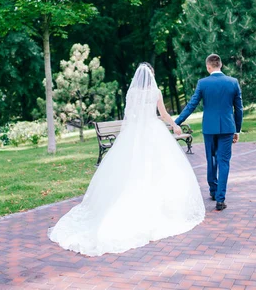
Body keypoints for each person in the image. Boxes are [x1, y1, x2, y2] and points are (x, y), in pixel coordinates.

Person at [48, 63, 205, 256]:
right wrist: (174, 125)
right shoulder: (155, 92)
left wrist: (129, 134)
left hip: (134, 133)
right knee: (158, 170)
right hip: (153, 132)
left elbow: (129, 116)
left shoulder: (132, 93)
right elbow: (163, 114)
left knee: (133, 170)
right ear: (152, 75)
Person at [175, 54, 243, 211]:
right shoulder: (233, 82)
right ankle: (220, 199)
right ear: (221, 65)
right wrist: (237, 129)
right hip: (227, 128)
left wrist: (176, 122)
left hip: (209, 129)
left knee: (211, 159)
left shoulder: (203, 83)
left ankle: (213, 190)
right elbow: (238, 109)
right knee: (223, 162)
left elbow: (191, 105)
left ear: (208, 67)